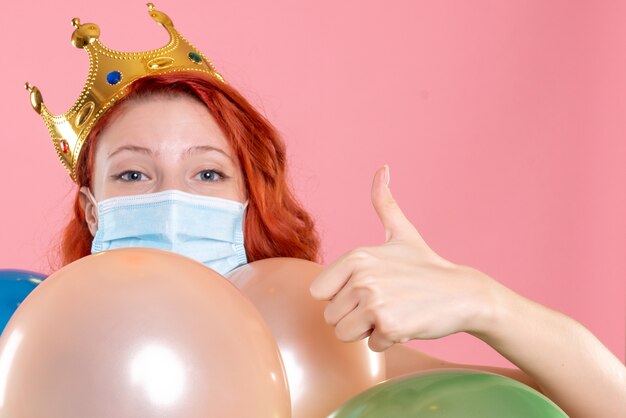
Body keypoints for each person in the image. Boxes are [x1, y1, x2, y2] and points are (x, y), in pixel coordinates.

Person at [30, 5, 625, 418]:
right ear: (93, 208)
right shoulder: (28, 354)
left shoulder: (323, 349)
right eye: (133, 174)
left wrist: (483, 301)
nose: (173, 200)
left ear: (246, 202)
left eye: (208, 173)